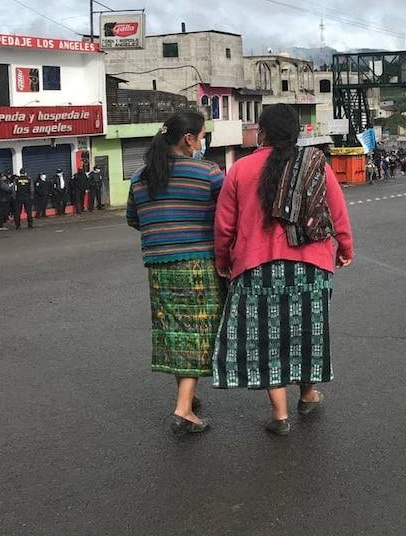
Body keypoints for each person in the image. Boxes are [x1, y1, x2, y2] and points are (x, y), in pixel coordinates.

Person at [212, 104, 354, 436]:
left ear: (261, 133)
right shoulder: (316, 164)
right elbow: (337, 212)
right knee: (306, 335)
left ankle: (280, 415)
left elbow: (224, 226)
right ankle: (307, 395)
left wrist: (223, 261)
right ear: (296, 132)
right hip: (311, 266)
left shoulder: (240, 169)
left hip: (256, 269)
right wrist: (345, 248)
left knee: (267, 339)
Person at [126, 109, 225, 436]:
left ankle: (188, 395)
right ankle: (183, 410)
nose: (202, 142)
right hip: (197, 263)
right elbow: (228, 214)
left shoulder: (140, 176)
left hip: (158, 266)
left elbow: (134, 218)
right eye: (202, 136)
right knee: (196, 333)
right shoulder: (208, 172)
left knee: (175, 331)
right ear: (188, 139)